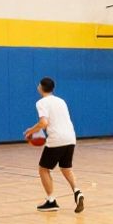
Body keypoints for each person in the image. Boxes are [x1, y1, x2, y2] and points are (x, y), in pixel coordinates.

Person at [24, 77, 84, 213]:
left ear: (40, 87)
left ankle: (51, 201)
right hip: (70, 137)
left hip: (57, 139)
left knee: (43, 169)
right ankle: (77, 191)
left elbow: (44, 123)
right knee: (66, 168)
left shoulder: (41, 103)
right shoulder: (61, 101)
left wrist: (30, 131)